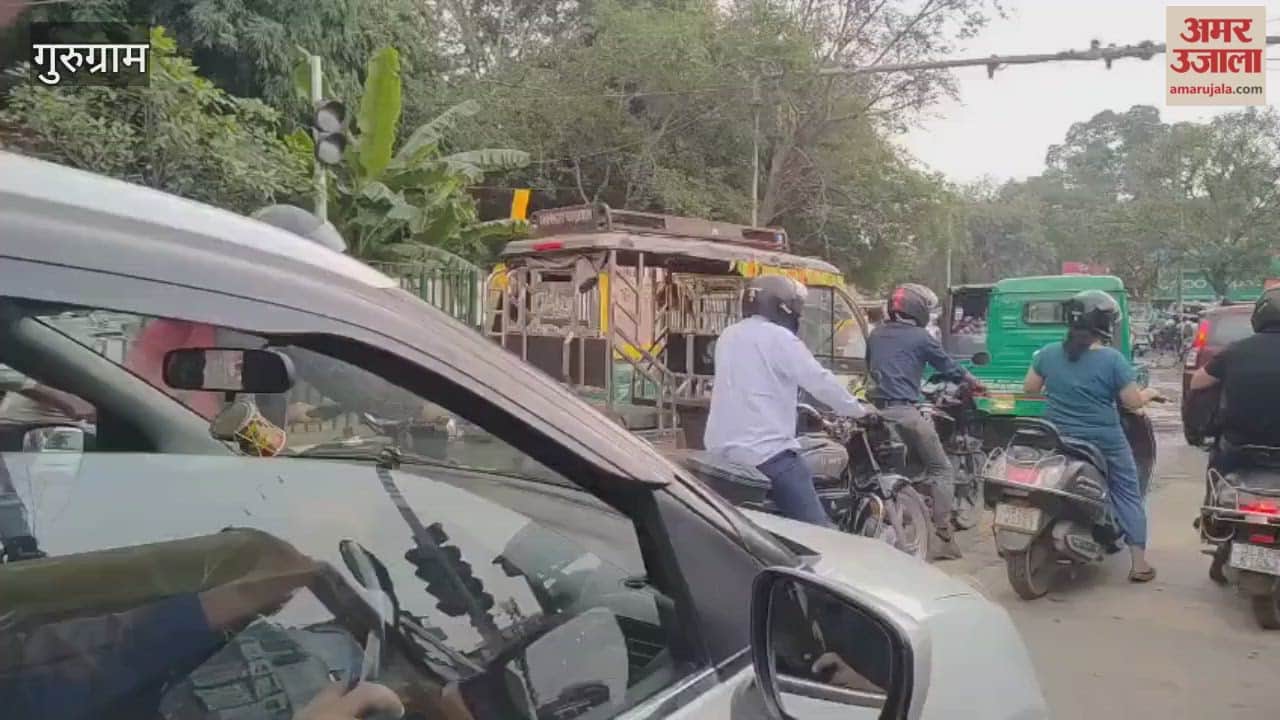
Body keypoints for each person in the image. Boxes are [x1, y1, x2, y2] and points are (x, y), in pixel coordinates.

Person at [704, 276, 876, 527]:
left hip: (720, 455)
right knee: (822, 534)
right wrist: (859, 410)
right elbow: (819, 380)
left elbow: (754, 383)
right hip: (766, 455)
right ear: (783, 307)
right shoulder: (780, 339)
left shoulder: (729, 335)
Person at [1022, 289, 1163, 583]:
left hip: (1056, 437)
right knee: (1127, 491)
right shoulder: (1113, 360)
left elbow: (1030, 389)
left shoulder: (1048, 354)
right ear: (1106, 324)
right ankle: (1138, 564)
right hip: (1103, 440)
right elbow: (1131, 403)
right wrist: (1149, 393)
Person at [866, 283, 984, 560]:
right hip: (904, 412)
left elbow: (871, 366)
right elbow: (948, 366)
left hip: (873, 411)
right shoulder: (921, 337)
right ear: (917, 309)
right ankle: (943, 533)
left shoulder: (876, 335)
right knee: (942, 470)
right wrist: (975, 383)